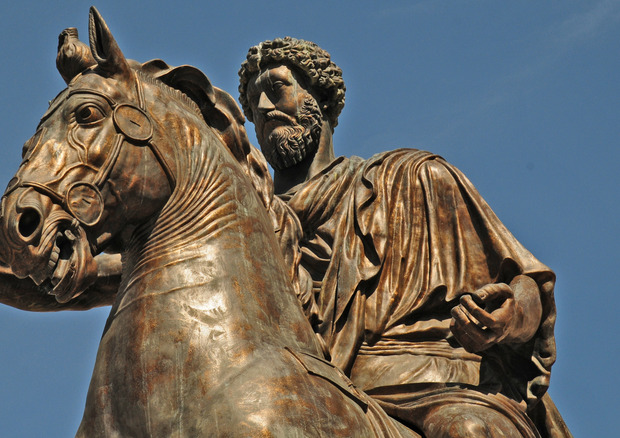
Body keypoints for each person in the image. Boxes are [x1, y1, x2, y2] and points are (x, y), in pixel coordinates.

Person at [238, 37, 571, 437]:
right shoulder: (248, 225)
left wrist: (508, 316)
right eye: (253, 104)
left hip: (437, 385)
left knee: (466, 431)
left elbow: (523, 283)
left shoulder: (413, 180)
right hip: (300, 389)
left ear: (322, 100)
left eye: (276, 89)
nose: (262, 109)